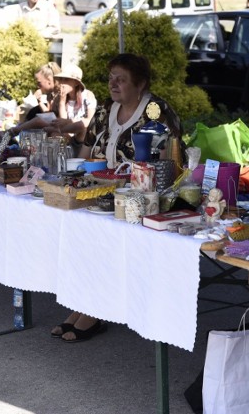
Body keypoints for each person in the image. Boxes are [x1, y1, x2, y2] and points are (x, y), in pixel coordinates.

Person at [51, 54, 183, 342]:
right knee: (78, 232)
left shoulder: (156, 110)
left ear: (141, 83)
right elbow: (85, 155)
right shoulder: (106, 110)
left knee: (104, 238)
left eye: (120, 78)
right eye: (111, 77)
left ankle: (95, 311)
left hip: (141, 198)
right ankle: (82, 303)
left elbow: (169, 165)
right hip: (102, 193)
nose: (113, 83)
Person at [12, 64, 97, 144]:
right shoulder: (63, 97)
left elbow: (89, 122)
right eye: (61, 79)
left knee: (56, 129)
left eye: (66, 80)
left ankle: (12, 132)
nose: (62, 83)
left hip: (82, 137)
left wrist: (63, 125)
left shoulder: (88, 95)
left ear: (76, 83)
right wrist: (62, 101)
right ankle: (13, 133)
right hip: (67, 135)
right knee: (48, 129)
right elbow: (62, 120)